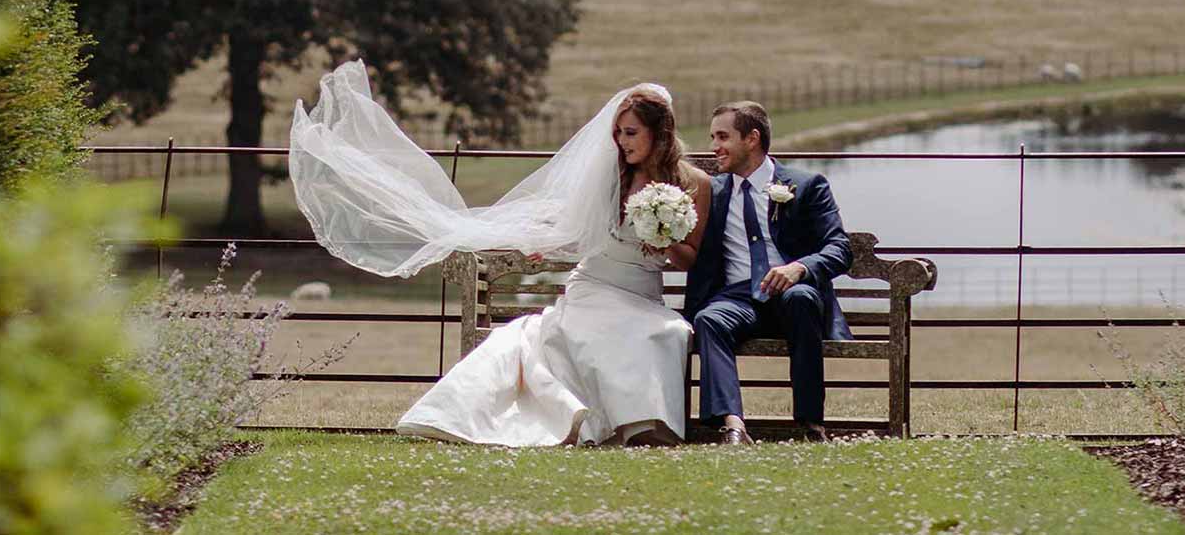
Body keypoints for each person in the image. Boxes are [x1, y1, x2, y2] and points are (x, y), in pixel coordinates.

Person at [286, 64, 706, 447]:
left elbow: (690, 259)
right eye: (618, 133)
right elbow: (580, 231)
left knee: (662, 333)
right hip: (595, 286)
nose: (620, 142)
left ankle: (641, 427)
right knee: (599, 330)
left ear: (660, 133)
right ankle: (588, 423)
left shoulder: (694, 185)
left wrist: (664, 236)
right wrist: (547, 243)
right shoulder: (611, 177)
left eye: (630, 133)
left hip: (644, 296)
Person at [680, 100, 855, 443]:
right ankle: (733, 425)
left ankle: (810, 424)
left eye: (722, 137)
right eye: (712, 137)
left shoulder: (806, 185)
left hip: (792, 294)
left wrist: (800, 268)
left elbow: (840, 248)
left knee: (803, 297)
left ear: (752, 138)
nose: (714, 147)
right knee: (709, 319)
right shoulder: (710, 192)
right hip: (738, 299)